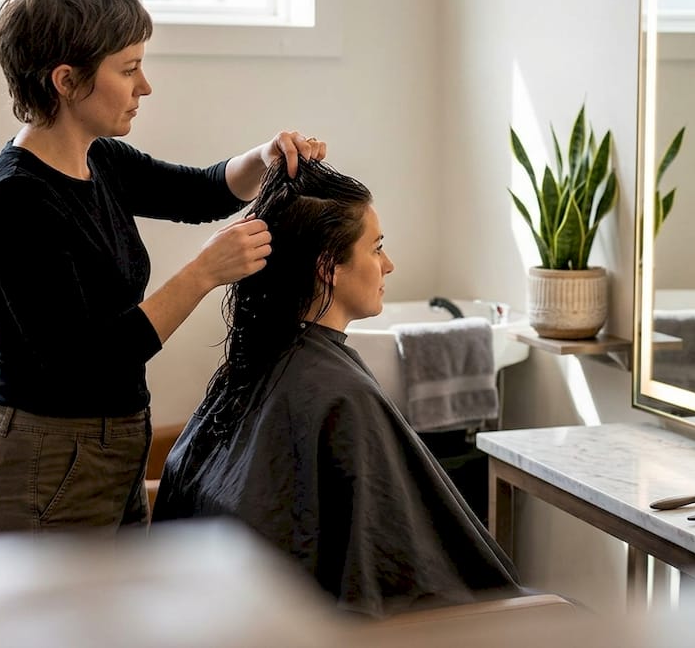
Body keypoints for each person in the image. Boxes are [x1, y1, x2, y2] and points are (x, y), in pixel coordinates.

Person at [0, 0, 327, 535]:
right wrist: (204, 272)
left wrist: (264, 156)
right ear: (66, 80)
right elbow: (86, 360)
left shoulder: (97, 158)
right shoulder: (16, 200)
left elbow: (199, 190)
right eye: (129, 69)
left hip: (113, 449)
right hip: (46, 464)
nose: (145, 86)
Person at [151, 159, 525, 617]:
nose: (389, 265)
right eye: (377, 249)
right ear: (329, 267)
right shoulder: (339, 394)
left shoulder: (258, 362)